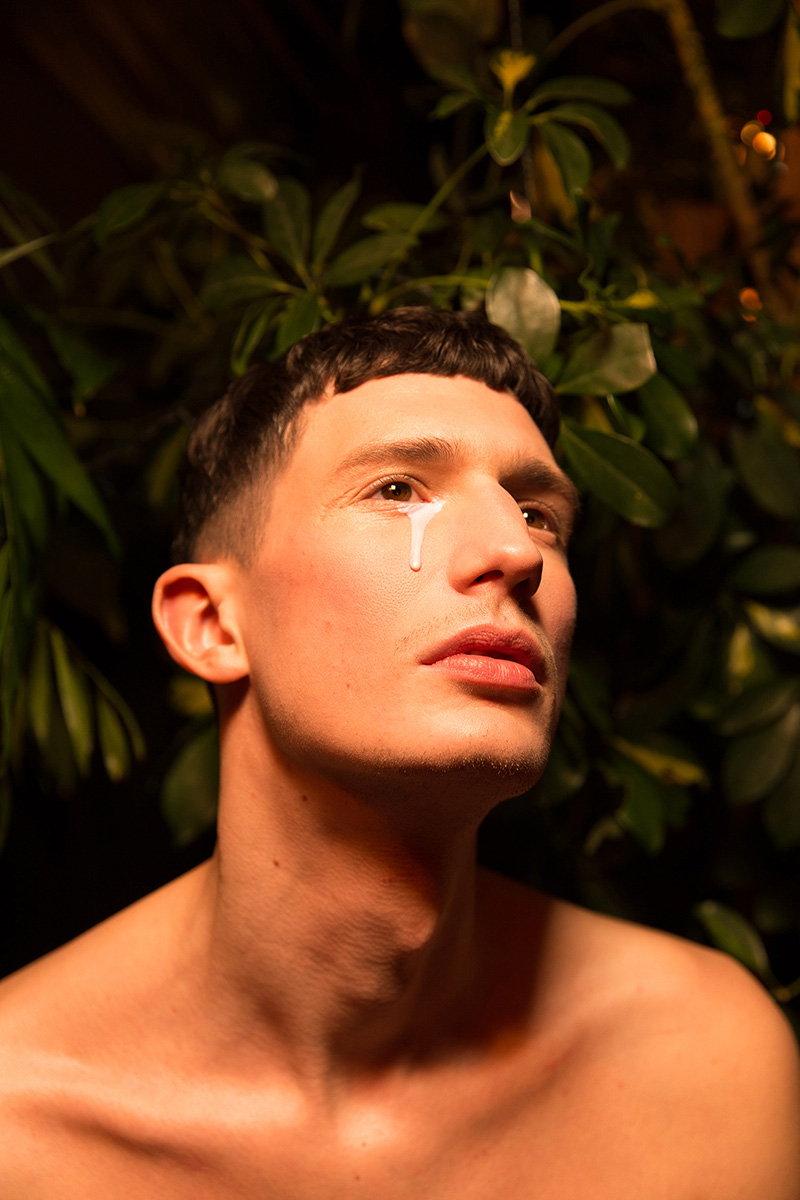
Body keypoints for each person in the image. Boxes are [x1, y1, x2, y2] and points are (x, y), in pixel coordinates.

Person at [0, 307, 798, 1198]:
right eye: (396, 489)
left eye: (538, 514)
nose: (515, 552)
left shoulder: (703, 1063)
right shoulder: (18, 1130)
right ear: (215, 625)